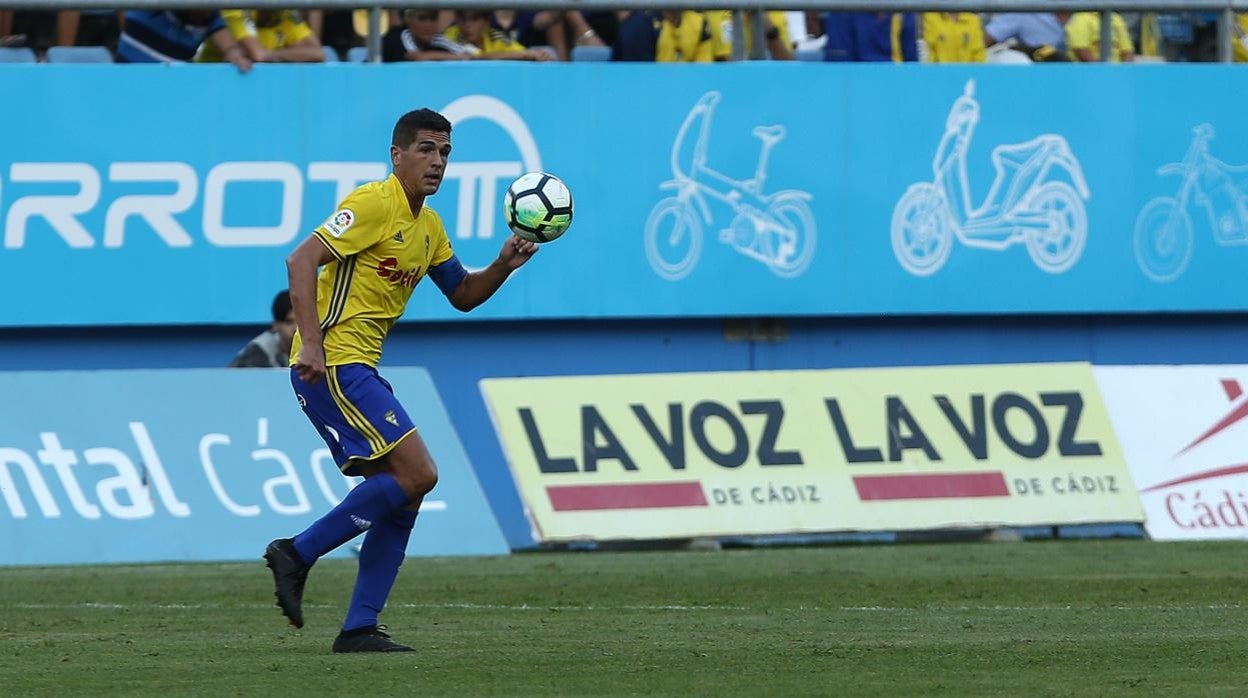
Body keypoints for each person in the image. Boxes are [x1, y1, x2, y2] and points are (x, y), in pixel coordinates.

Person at [264, 108, 539, 653]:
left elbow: (462, 295)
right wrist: (312, 344)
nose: (437, 162)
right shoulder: (373, 203)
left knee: (404, 494)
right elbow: (301, 261)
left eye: (445, 152)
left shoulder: (429, 227)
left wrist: (503, 265)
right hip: (335, 364)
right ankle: (297, 552)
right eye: (427, 150)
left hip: (360, 368)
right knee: (419, 472)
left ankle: (359, 627)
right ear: (398, 156)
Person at [117, 10, 253, 72]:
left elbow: (230, 47)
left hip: (173, 94)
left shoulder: (209, 15)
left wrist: (235, 55)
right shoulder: (149, 7)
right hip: (128, 85)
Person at [196, 10, 325, 63]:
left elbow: (318, 53)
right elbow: (258, 55)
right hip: (211, 85)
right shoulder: (235, 8)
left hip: (260, 91)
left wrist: (271, 54)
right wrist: (292, 53)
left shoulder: (284, 14)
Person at [228, 290, 296, 368]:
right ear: (275, 325)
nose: (296, 328)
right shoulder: (258, 353)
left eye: (300, 321)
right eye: (289, 322)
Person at [382, 9, 472, 62]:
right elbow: (417, 57)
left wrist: (461, 56)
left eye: (433, 19)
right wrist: (455, 57)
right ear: (408, 19)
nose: (428, 25)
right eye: (422, 18)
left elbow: (467, 55)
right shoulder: (400, 34)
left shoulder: (437, 39)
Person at [1065, 11, 1134, 62]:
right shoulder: (1080, 17)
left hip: (1116, 72)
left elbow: (1127, 50)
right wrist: (1100, 70)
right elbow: (1081, 49)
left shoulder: (1116, 18)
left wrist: (1124, 69)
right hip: (1089, 72)